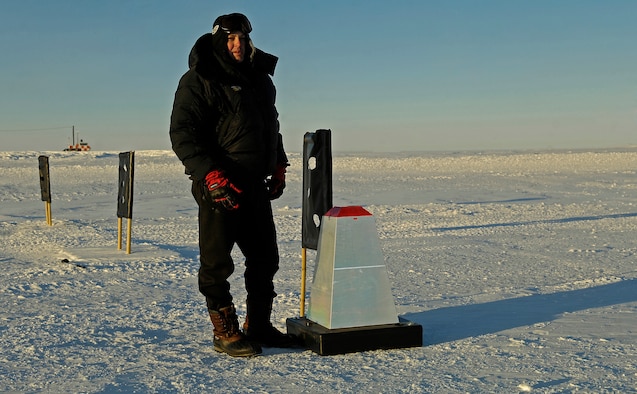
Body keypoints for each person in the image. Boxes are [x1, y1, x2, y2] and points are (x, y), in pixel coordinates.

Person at [169, 13, 296, 357]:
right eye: (229, 39)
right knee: (217, 263)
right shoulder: (200, 78)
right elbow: (182, 132)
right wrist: (210, 175)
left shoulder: (259, 79)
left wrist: (279, 162)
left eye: (242, 38)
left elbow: (271, 125)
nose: (237, 45)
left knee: (265, 258)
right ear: (218, 41)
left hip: (253, 183)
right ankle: (225, 332)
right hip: (219, 186)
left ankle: (260, 326)